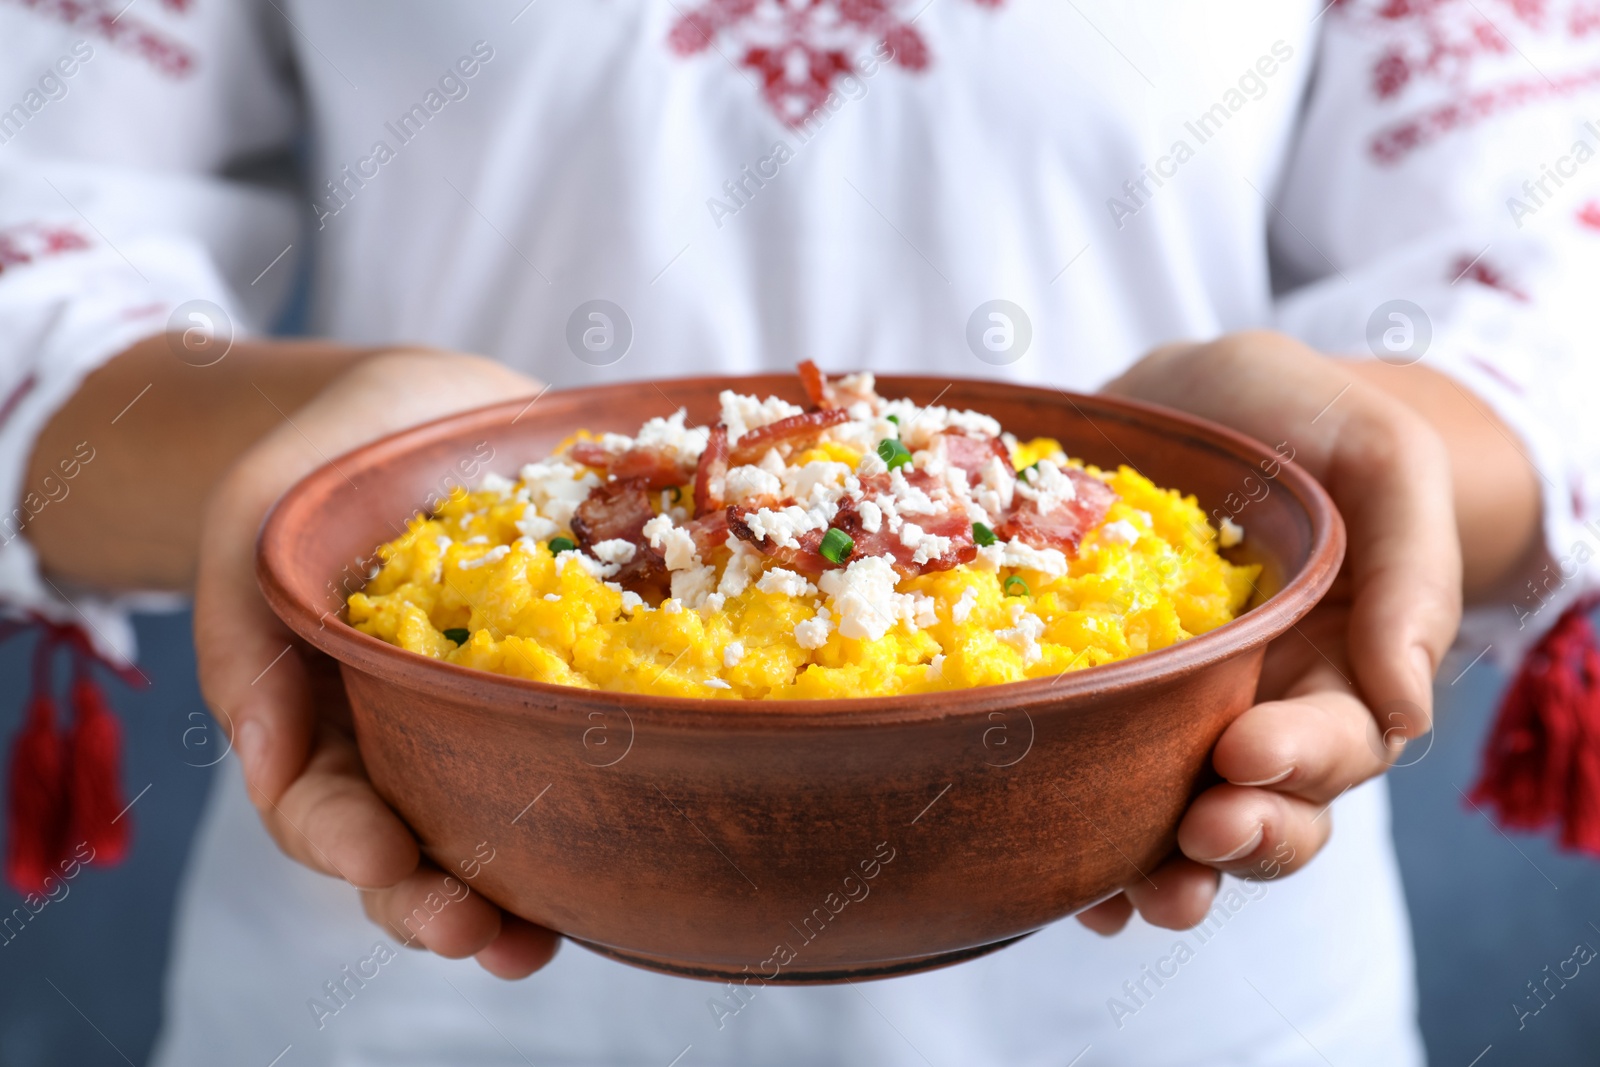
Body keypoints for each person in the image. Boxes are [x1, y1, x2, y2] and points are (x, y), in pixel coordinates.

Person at [3, 0, 1596, 1063]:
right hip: (415, 938)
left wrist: (1343, 455)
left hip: (1177, 950)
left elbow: (1550, 270)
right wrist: (332, 452)